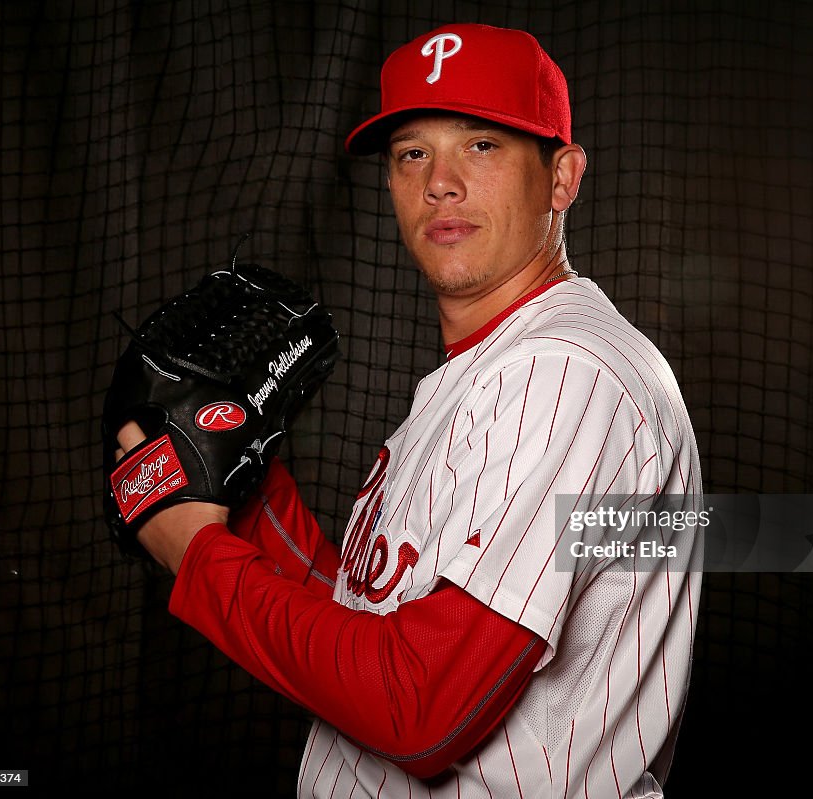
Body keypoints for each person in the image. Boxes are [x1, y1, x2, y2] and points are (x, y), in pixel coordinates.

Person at [115, 22, 703, 798]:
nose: (440, 183)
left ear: (562, 177)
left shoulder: (564, 375)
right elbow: (369, 619)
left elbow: (419, 708)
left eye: (482, 145)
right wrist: (236, 489)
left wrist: (200, 558)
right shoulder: (493, 374)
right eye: (412, 153)